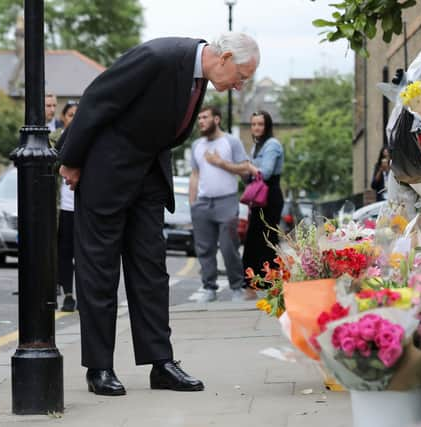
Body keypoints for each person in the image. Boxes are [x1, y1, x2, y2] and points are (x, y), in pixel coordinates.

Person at [57, 32, 259, 397]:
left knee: (152, 271)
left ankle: (160, 363)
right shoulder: (159, 56)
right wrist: (71, 159)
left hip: (148, 179)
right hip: (108, 174)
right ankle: (99, 368)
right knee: (99, 272)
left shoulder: (198, 78)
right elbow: (98, 99)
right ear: (225, 57)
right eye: (241, 76)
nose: (240, 86)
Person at [188, 106, 257, 303]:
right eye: (199, 118)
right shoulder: (196, 146)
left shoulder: (231, 142)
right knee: (204, 249)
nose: (200, 121)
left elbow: (245, 169)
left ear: (216, 119)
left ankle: (236, 287)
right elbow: (195, 175)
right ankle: (209, 287)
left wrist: (221, 163)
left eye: (205, 117)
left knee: (229, 247)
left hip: (226, 201)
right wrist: (193, 204)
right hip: (202, 203)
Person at [240, 111, 284, 295]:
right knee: (253, 238)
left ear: (267, 126)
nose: (256, 128)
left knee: (267, 239)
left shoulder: (272, 145)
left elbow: (264, 173)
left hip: (270, 197)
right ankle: (253, 280)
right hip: (258, 198)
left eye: (260, 124)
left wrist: (247, 166)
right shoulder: (256, 147)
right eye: (254, 124)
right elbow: (249, 177)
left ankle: (269, 280)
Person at [52, 101, 78, 312]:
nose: (74, 119)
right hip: (65, 209)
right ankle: (68, 294)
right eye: (70, 115)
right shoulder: (57, 138)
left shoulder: (89, 138)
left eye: (77, 115)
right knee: (65, 252)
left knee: (85, 254)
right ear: (64, 118)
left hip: (85, 207)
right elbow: (52, 163)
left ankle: (85, 294)